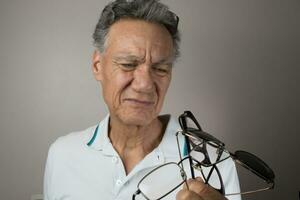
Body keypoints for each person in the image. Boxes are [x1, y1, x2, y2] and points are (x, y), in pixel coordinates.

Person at [43, 0, 241, 200]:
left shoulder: (215, 164)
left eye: (160, 69)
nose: (145, 84)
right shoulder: (62, 155)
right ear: (97, 66)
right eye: (128, 64)